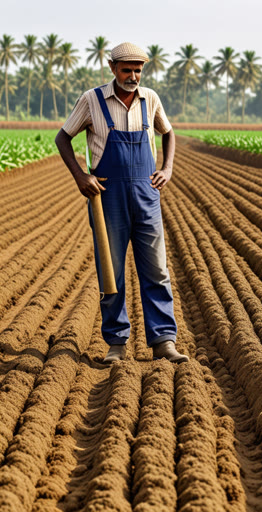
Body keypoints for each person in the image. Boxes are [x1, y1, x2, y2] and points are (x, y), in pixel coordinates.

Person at [55, 42, 189, 364]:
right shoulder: (92, 100)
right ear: (112, 67)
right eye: (126, 70)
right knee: (110, 272)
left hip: (147, 196)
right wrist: (80, 176)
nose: (133, 76)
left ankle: (163, 342)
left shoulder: (150, 99)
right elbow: (63, 137)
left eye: (138, 70)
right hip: (107, 197)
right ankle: (116, 343)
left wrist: (167, 168)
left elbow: (168, 132)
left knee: (156, 270)